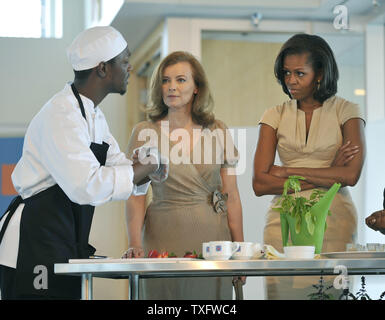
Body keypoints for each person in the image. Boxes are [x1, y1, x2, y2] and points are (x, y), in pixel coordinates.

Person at [0, 26, 165, 300]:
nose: (130, 67)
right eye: (124, 61)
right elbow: (86, 187)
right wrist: (141, 169)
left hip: (63, 240)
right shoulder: (61, 114)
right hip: (34, 241)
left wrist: (145, 170)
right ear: (102, 69)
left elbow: (119, 167)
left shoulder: (94, 116)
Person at [252, 34, 366, 299]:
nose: (291, 80)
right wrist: (329, 175)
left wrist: (287, 171)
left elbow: (350, 175)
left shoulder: (347, 111)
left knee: (328, 294)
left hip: (334, 220)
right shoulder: (274, 114)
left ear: (320, 73)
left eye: (299, 73)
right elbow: (259, 184)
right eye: (287, 73)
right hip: (283, 224)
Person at [122, 51, 244, 299]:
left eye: (180, 80)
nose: (171, 87)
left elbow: (231, 195)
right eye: (165, 80)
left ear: (197, 87)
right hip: (162, 237)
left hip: (214, 242)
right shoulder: (145, 133)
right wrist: (134, 243)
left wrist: (240, 251)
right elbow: (136, 195)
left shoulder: (218, 130)